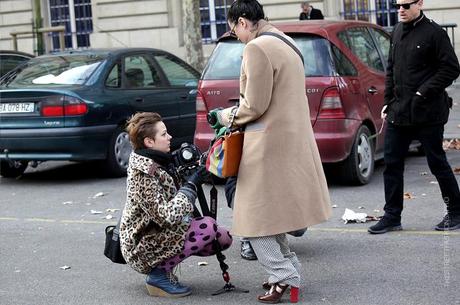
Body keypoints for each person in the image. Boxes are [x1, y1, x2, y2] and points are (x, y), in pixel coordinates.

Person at [214, 1, 332, 303]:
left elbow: (254, 105)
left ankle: (284, 275)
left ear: (243, 22)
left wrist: (224, 116)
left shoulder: (257, 48)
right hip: (290, 141)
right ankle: (286, 271)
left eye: (233, 30)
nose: (236, 36)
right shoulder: (287, 41)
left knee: (251, 219)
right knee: (274, 215)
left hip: (265, 144)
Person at [368, 0, 460, 234]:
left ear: (420, 3)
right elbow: (391, 69)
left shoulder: (435, 33)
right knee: (392, 163)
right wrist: (387, 102)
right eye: (397, 5)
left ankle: (456, 212)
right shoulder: (397, 30)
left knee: (437, 163)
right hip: (400, 111)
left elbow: (451, 68)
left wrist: (423, 91)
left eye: (406, 5)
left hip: (428, 112)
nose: (400, 9)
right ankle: (392, 216)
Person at [119, 112, 232, 298]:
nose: (169, 137)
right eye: (163, 134)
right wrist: (191, 186)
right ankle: (158, 275)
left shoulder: (158, 160)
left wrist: (195, 171)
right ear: (149, 142)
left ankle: (164, 269)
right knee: (208, 228)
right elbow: (165, 216)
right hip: (140, 247)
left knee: (222, 238)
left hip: (155, 235)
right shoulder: (143, 173)